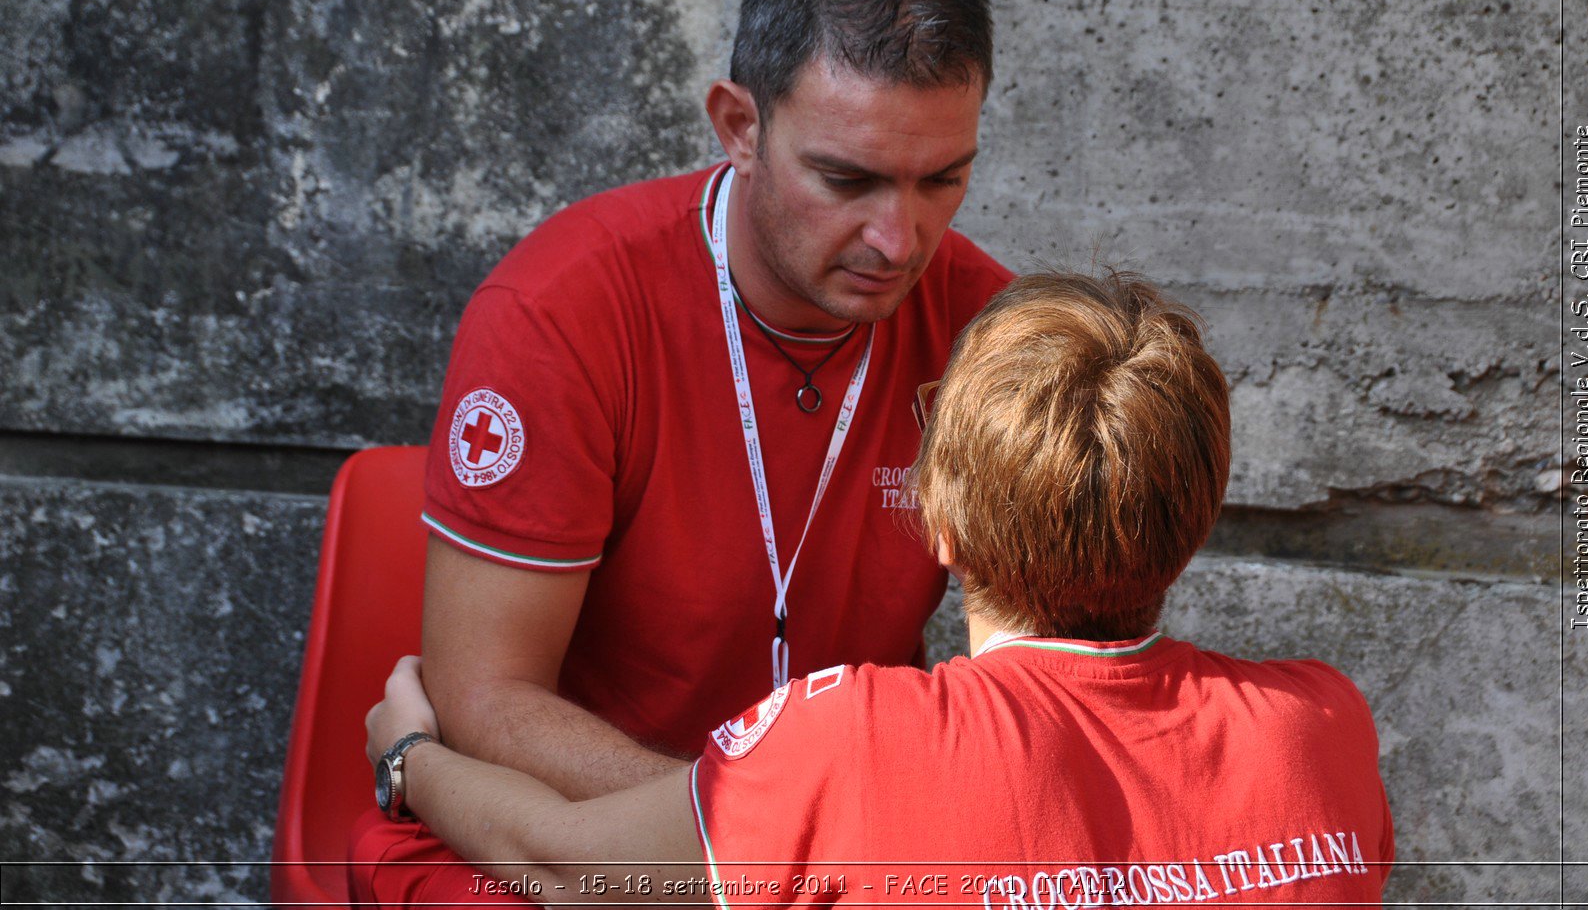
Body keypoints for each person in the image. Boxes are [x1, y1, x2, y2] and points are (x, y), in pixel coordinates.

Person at [355, 270, 1394, 908]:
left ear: (939, 525)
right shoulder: (1320, 728)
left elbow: (562, 867)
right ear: (1195, 517)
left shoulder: (854, 743)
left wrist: (409, 759)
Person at [349, 0, 1013, 886]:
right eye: (847, 178)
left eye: (941, 181)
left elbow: (1045, 688)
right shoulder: (563, 309)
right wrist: (749, 829)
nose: (898, 238)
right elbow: (484, 698)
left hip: (828, 849)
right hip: (568, 832)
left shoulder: (991, 333)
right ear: (739, 127)